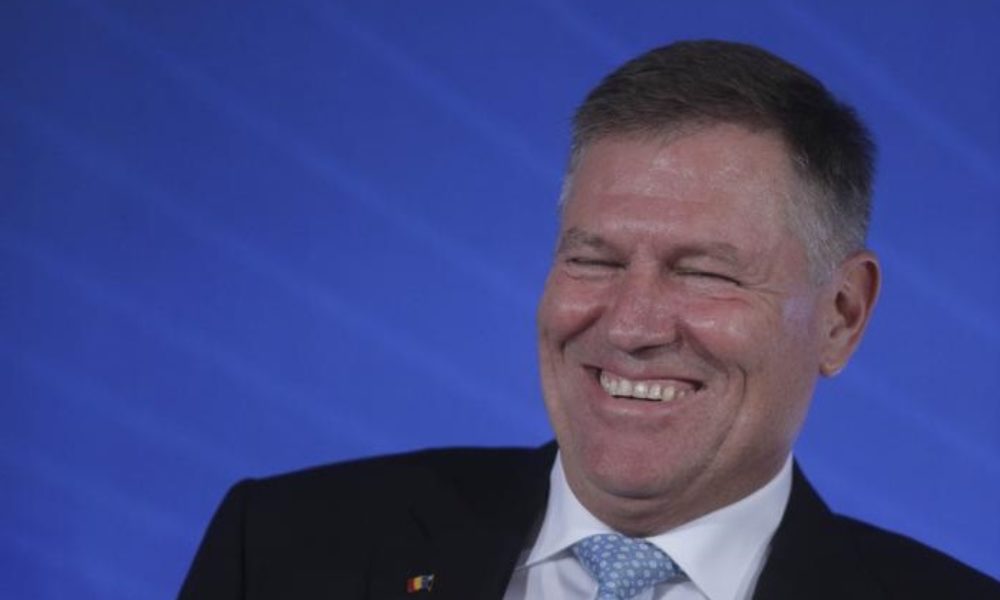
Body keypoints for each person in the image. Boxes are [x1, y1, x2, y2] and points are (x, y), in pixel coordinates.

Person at [178, 40, 999, 599]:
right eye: (594, 260)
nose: (631, 325)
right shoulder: (282, 550)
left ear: (842, 316)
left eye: (704, 272)